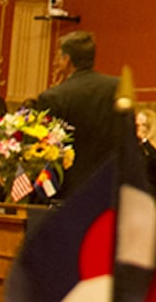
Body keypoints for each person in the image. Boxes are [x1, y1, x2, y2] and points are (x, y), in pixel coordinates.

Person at [34, 30, 121, 200]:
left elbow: (43, 151)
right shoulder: (117, 87)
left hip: (68, 192)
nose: (55, 63)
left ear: (67, 60)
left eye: (58, 57)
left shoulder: (52, 97)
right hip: (109, 187)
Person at [135, 109, 156, 197]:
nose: (139, 128)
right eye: (137, 125)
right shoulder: (134, 145)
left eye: (143, 125)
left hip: (152, 194)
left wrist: (145, 141)